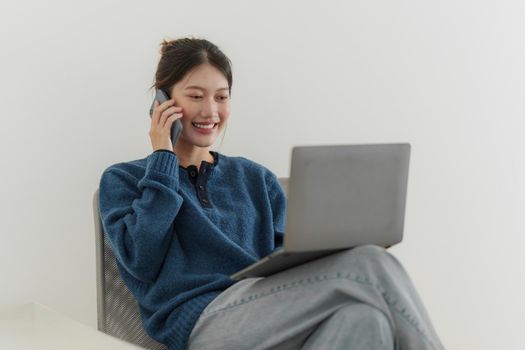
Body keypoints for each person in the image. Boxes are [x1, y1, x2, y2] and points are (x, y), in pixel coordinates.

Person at [98, 37, 445, 350]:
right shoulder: (126, 179)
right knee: (370, 263)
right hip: (206, 324)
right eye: (195, 96)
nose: (211, 111)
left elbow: (289, 261)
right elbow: (141, 262)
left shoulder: (255, 178)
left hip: (275, 311)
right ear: (163, 102)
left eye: (221, 97)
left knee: (364, 320)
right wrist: (163, 160)